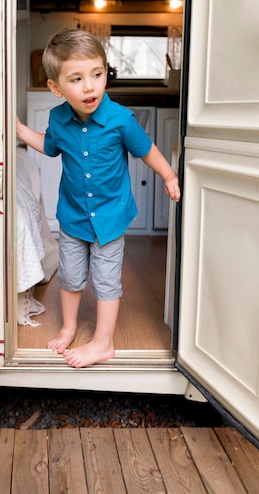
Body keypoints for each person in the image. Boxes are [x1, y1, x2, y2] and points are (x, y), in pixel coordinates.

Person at [16, 28, 180, 368]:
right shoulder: (58, 119)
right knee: (71, 277)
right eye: (76, 79)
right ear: (56, 88)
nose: (90, 86)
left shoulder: (120, 119)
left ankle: (103, 342)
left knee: (106, 280)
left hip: (110, 217)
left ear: (106, 73)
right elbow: (49, 146)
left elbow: (147, 150)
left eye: (97, 74)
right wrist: (18, 129)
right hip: (74, 216)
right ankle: (70, 327)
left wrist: (168, 174)